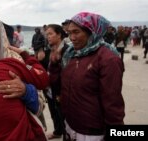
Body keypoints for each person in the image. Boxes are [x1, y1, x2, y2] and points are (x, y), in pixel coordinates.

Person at [50, 12, 125, 141]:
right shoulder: (71, 54)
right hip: (70, 126)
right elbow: (57, 87)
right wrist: (55, 65)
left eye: (76, 32)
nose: (72, 38)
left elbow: (113, 103)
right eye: (69, 33)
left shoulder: (107, 59)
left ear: (92, 32)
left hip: (92, 133)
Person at [45, 24, 68, 140]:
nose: (48, 37)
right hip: (50, 88)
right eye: (47, 34)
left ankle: (65, 135)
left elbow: (67, 74)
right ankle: (57, 131)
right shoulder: (50, 49)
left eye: (50, 34)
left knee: (64, 115)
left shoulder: (66, 50)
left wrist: (63, 92)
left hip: (61, 90)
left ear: (59, 35)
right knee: (54, 112)